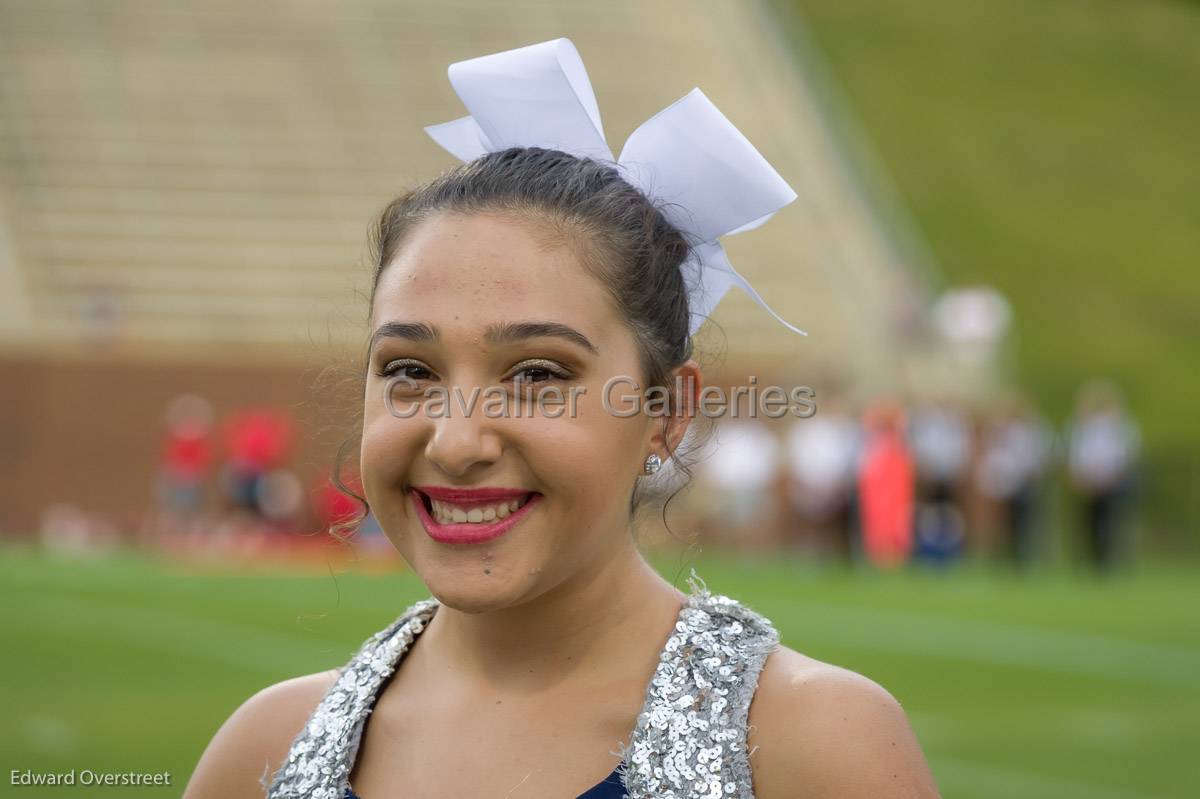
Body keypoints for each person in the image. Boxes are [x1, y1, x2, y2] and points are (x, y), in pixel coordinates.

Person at [183, 39, 940, 799]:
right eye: (410, 371)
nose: (457, 442)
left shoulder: (812, 745)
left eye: (538, 374)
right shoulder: (264, 750)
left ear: (666, 412)